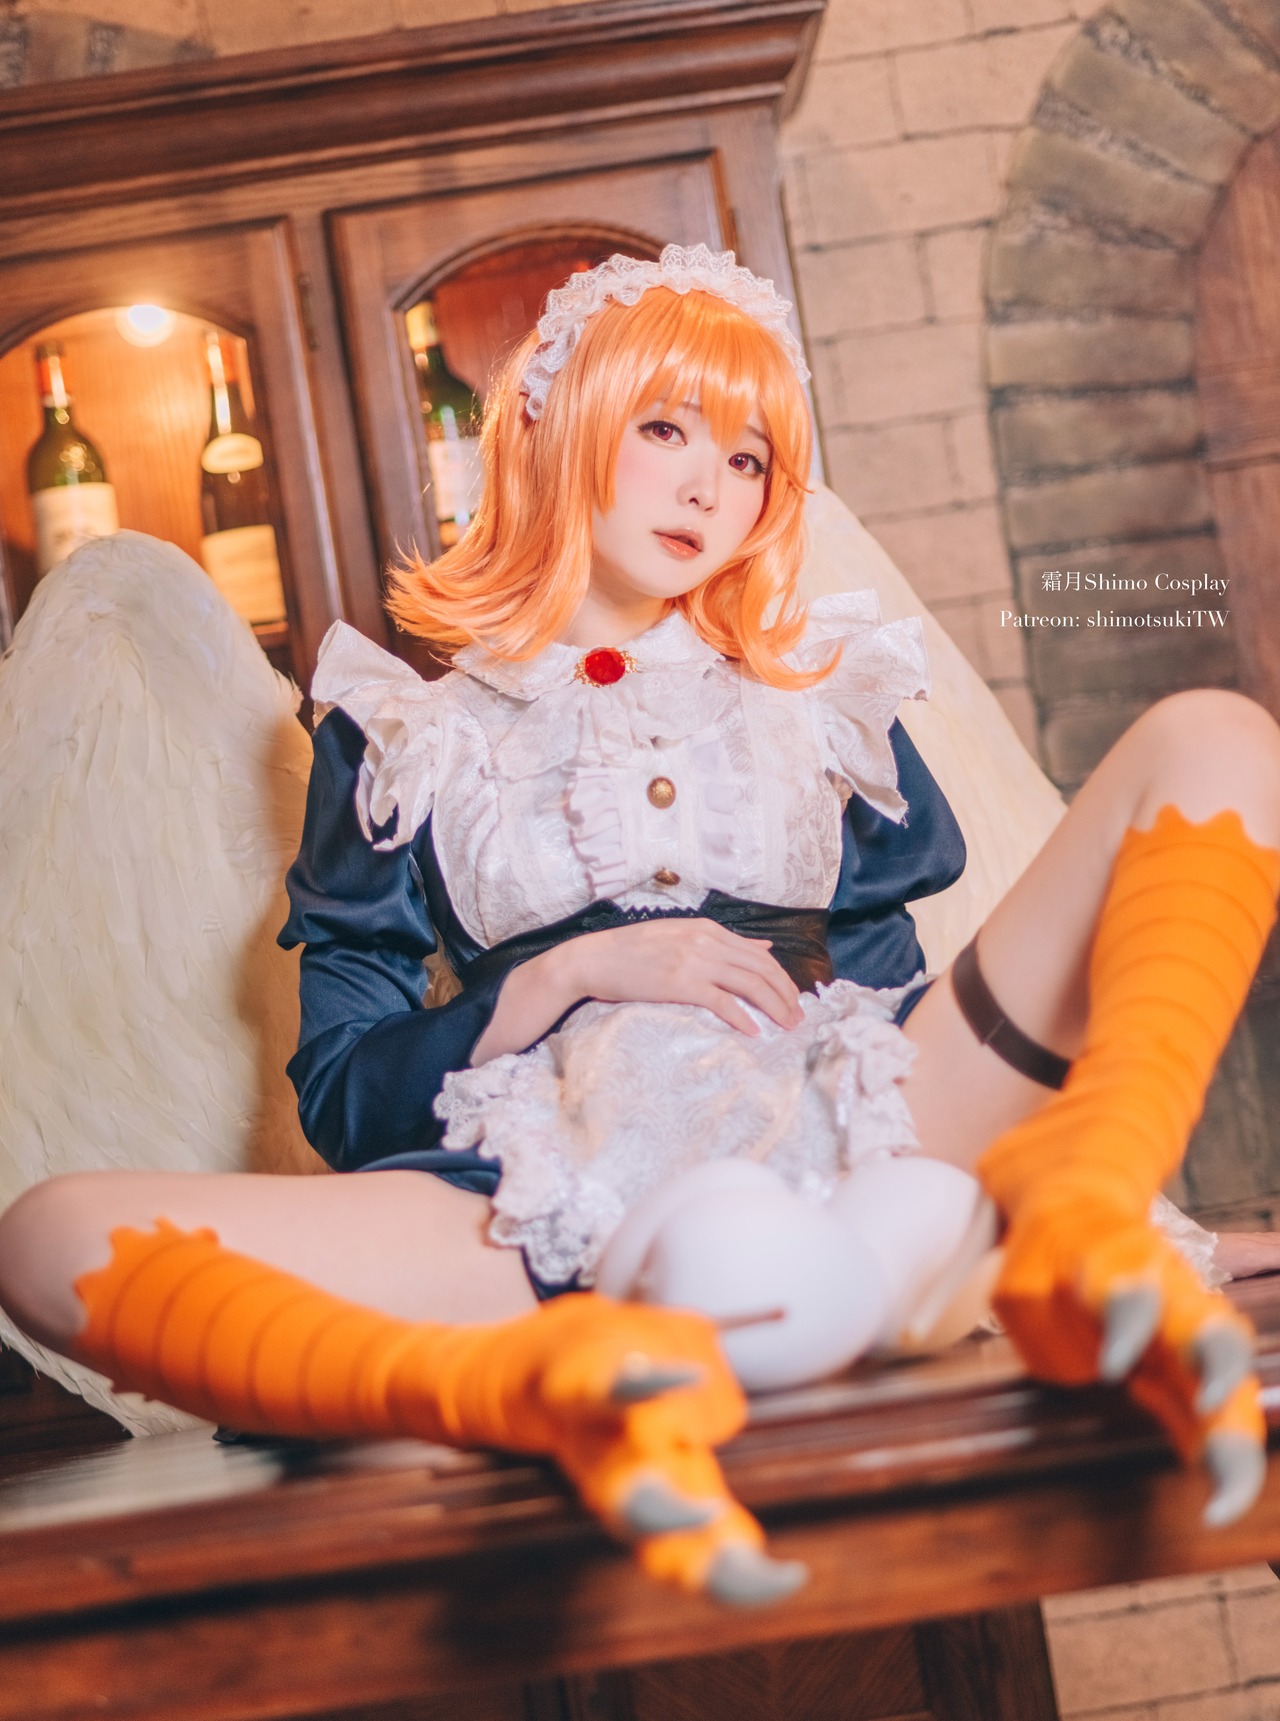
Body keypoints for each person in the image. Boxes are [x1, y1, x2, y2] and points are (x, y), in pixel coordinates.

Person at [1, 245, 1278, 1605]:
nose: (707, 487)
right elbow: (344, 1097)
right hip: (563, 1220)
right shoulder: (406, 734)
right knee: (46, 1233)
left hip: (863, 1146)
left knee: (1213, 735)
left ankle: (1083, 1207)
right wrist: (564, 973)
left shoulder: (825, 696)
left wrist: (1130, 1196)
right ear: (552, 431)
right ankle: (517, 1387)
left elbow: (894, 997)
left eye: (747, 458)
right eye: (666, 429)